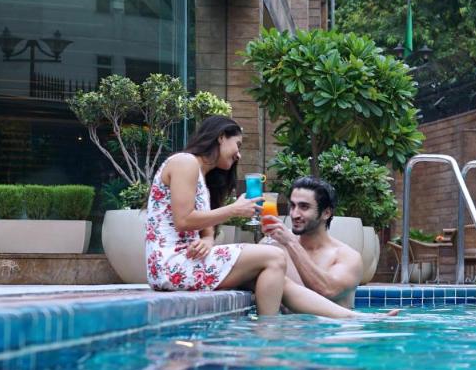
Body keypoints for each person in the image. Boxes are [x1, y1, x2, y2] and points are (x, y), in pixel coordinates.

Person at [145, 116, 358, 319]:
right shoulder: (185, 162)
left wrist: (207, 241)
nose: (239, 155)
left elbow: (205, 232)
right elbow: (183, 220)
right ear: (221, 137)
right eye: (237, 145)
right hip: (171, 265)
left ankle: (351, 317)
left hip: (187, 260)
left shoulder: (202, 179)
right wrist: (234, 210)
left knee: (276, 278)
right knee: (274, 256)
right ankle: (268, 331)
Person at [259, 177, 365, 309]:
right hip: (284, 322)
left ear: (326, 213)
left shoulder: (348, 257)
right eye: (293, 206)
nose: (294, 214)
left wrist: (291, 242)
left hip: (332, 323)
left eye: (304, 207)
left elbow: (328, 290)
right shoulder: (274, 247)